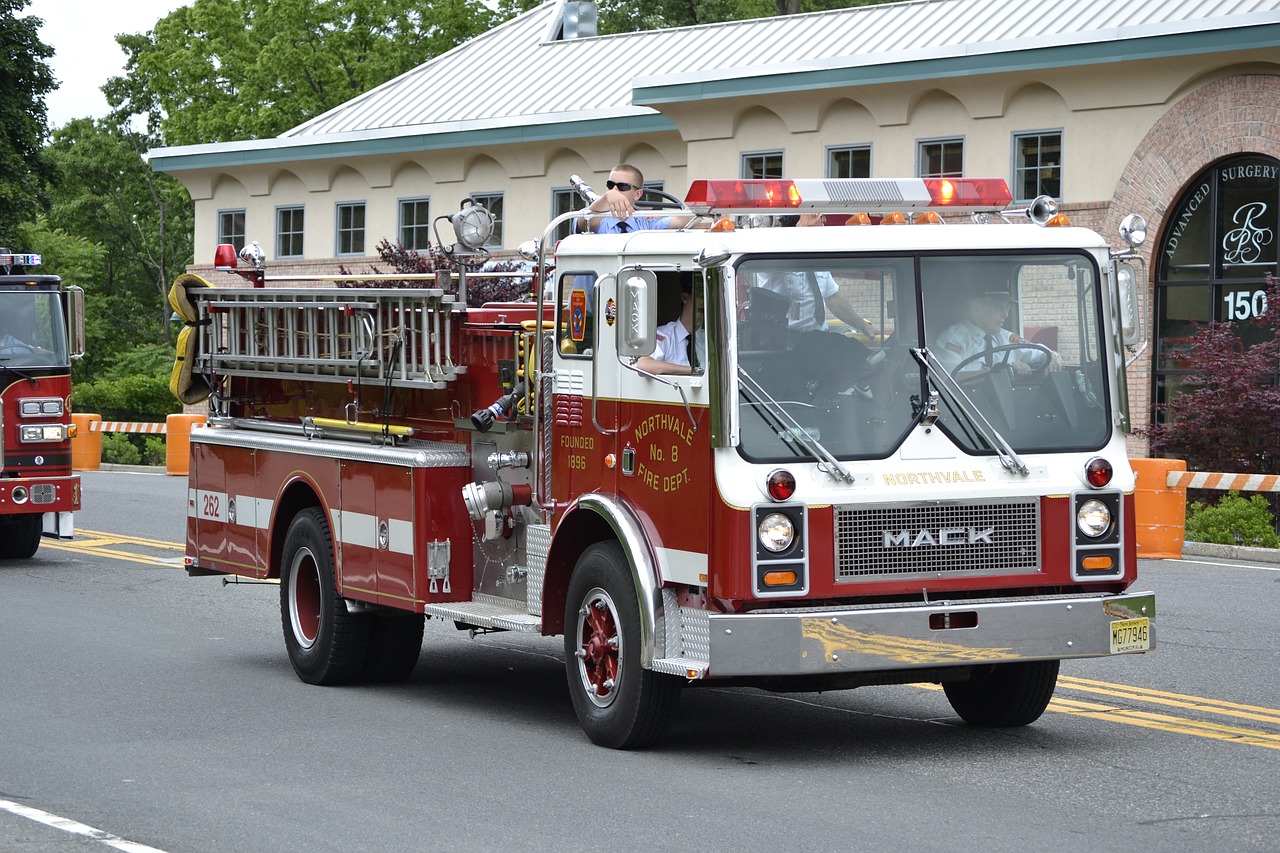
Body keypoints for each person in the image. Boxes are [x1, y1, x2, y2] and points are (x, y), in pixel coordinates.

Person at [755, 214, 876, 338]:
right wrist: (800, 230)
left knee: (856, 351)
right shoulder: (773, 248)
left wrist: (863, 326)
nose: (825, 220)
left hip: (817, 337)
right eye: (817, 215)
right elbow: (774, 261)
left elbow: (833, 298)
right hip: (783, 340)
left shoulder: (815, 256)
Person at [933, 288, 1062, 378]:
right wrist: (1001, 373)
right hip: (968, 410)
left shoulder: (1006, 337)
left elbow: (1036, 351)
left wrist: (1049, 355)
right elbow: (952, 379)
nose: (1005, 315)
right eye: (999, 306)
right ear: (977, 307)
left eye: (1007, 308)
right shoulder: (952, 339)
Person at [579, 164, 700, 233]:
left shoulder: (645, 223)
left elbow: (680, 221)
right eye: (610, 185)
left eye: (622, 186)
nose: (614, 190)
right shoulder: (597, 218)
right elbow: (583, 223)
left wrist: (713, 204)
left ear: (637, 194)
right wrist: (606, 198)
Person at [635, 276, 705, 375]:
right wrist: (694, 371)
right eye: (701, 309)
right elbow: (644, 365)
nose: (705, 299)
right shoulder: (663, 336)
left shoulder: (706, 340)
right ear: (685, 298)